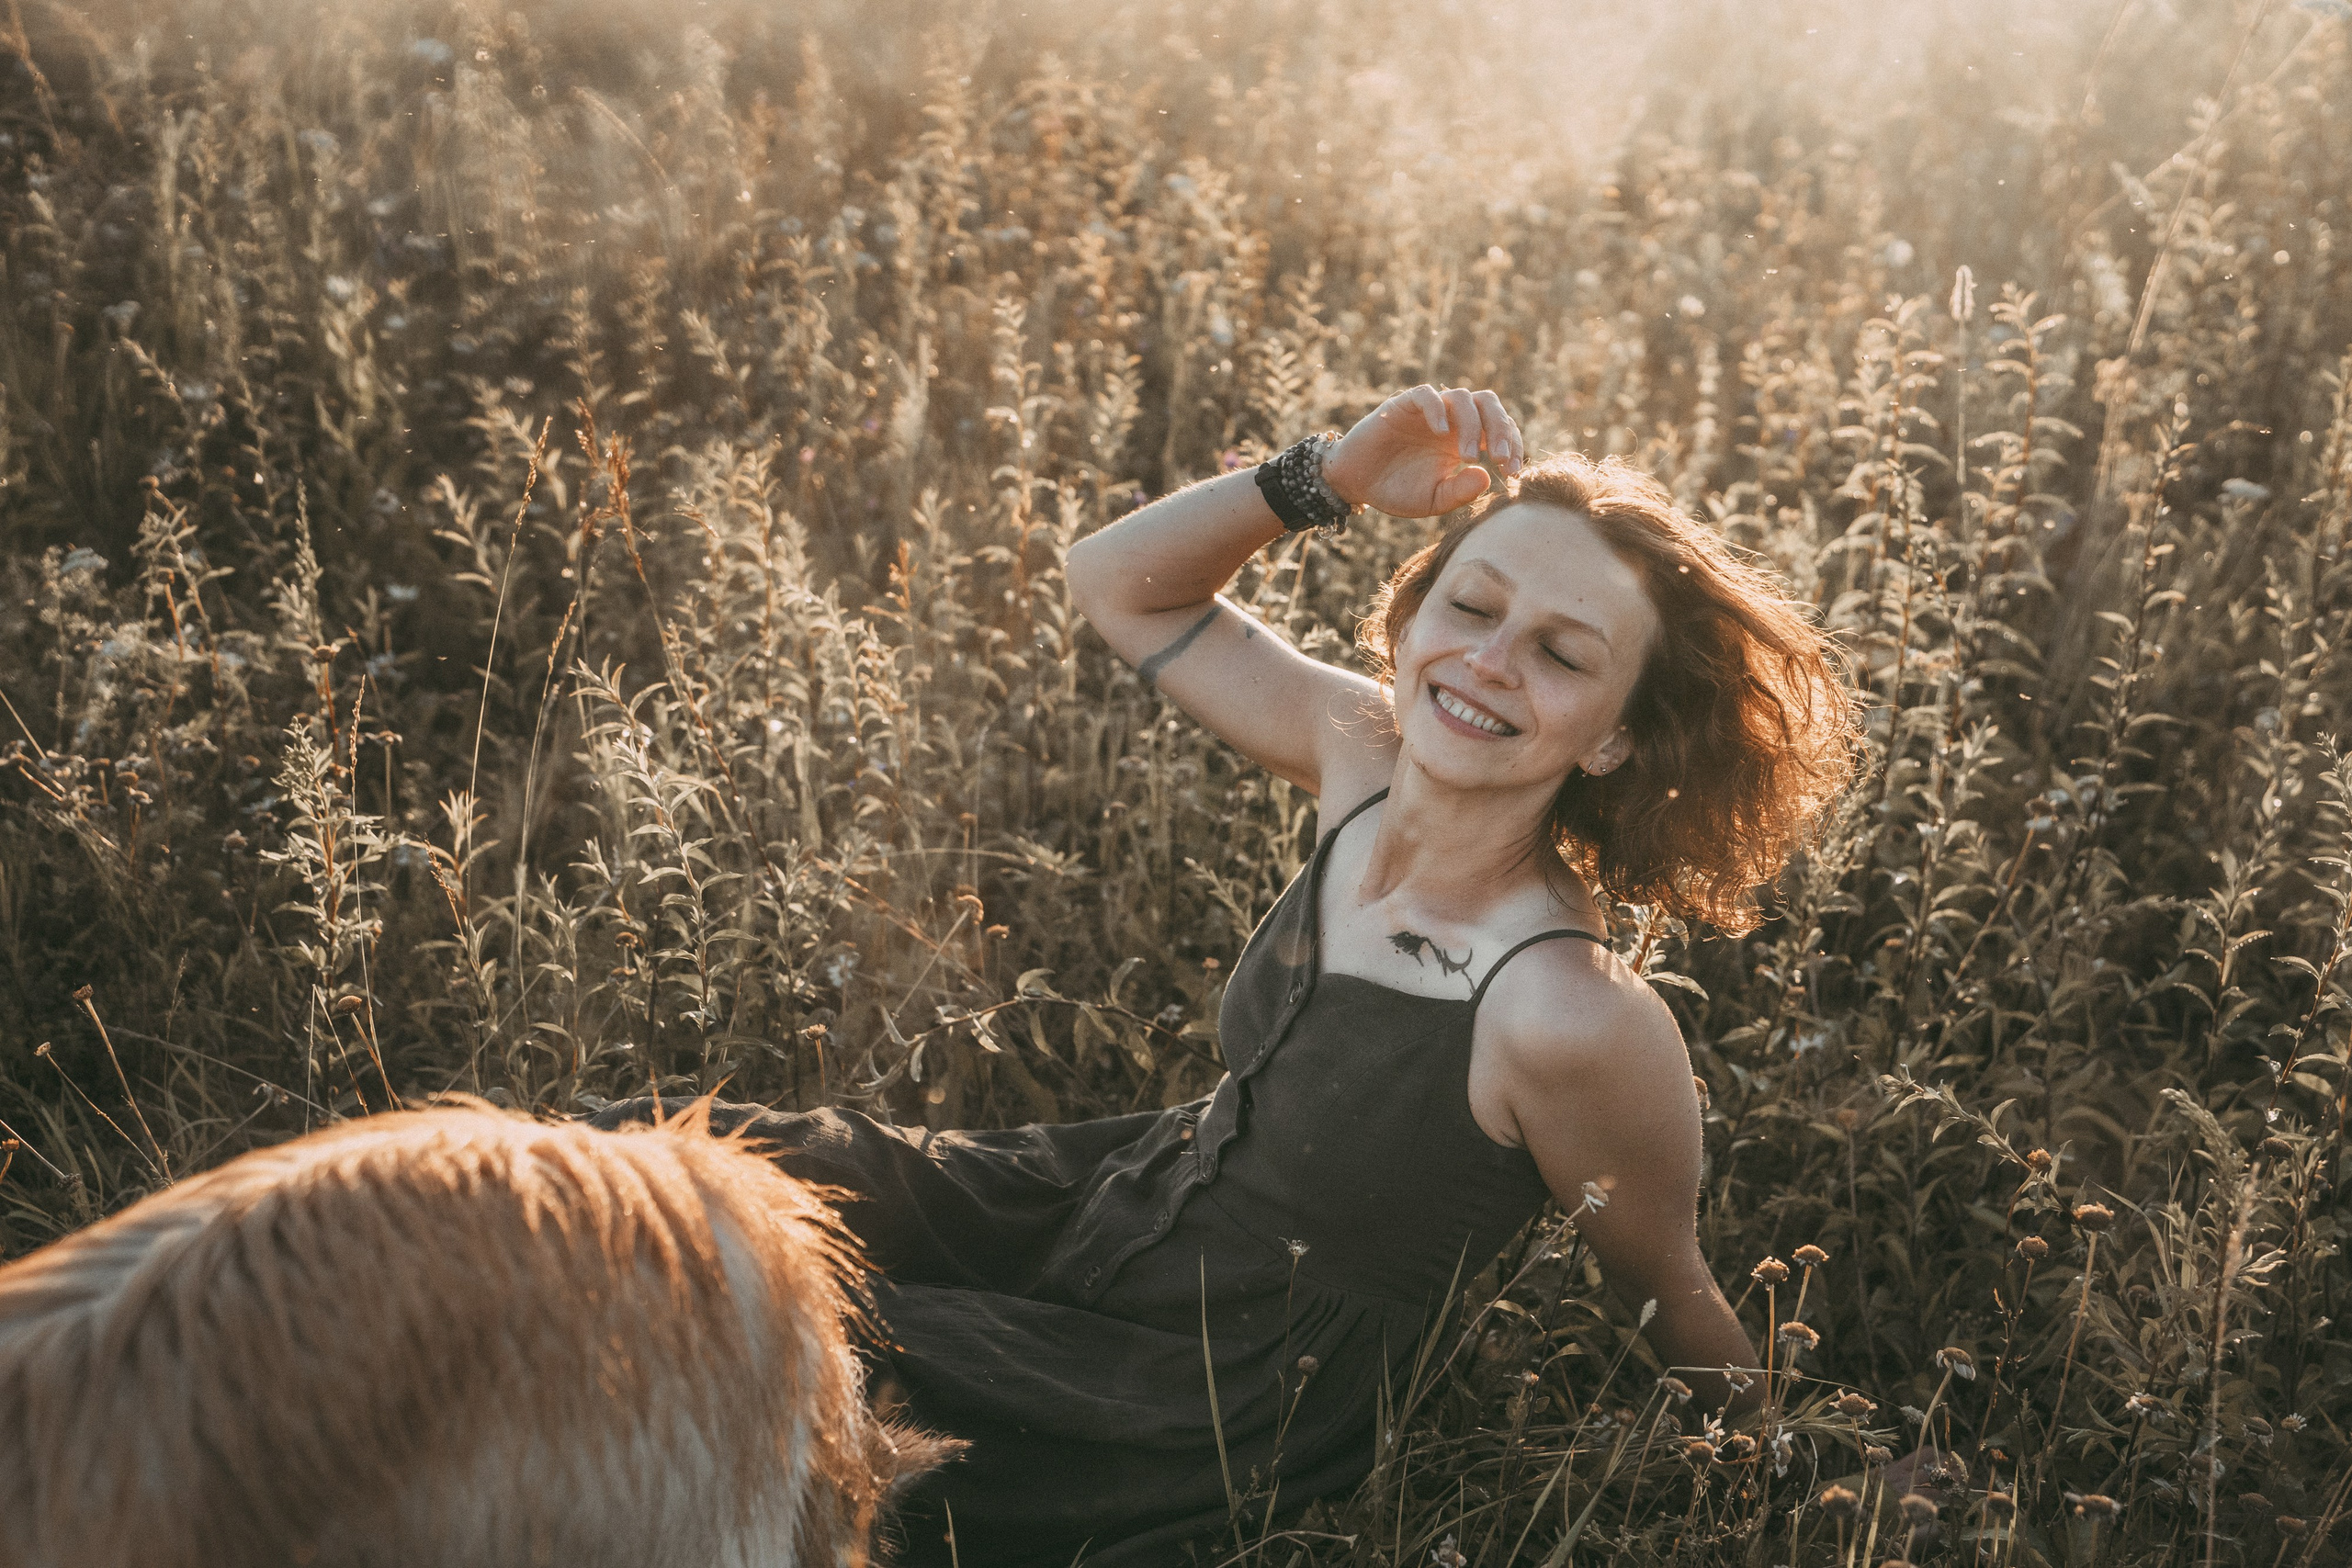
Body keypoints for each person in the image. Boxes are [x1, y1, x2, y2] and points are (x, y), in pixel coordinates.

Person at [591, 385, 1859, 1566]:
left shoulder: (1564, 1010)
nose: (1488, 663)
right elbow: (1118, 585)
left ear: (1618, 736)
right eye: (1471, 609)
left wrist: (1800, 1488)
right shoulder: (1358, 752)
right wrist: (1333, 475)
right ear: (1413, 617)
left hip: (1196, 1390)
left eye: (1563, 656)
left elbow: (1670, 1289)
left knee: (723, 1360)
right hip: (1110, 1199)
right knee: (645, 1168)